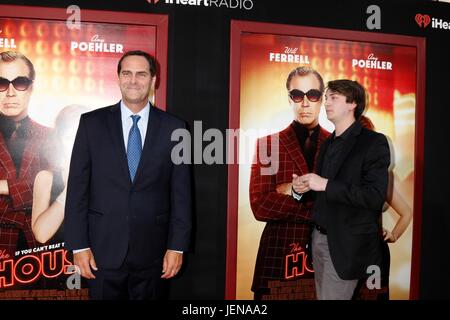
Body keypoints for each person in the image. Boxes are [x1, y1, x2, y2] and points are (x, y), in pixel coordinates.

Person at [64, 50, 192, 300]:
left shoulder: (175, 128)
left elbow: (182, 194)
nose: (134, 80)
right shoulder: (92, 123)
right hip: (101, 253)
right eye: (127, 73)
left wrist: (177, 246)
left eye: (141, 74)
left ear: (153, 80)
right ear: (119, 78)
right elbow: (78, 187)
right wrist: (79, 245)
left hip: (154, 255)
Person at [292, 79, 390, 300]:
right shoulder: (328, 143)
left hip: (346, 245)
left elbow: (374, 197)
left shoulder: (373, 142)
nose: (326, 102)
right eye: (326, 97)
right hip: (318, 239)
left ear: (352, 103)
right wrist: (302, 188)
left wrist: (324, 184)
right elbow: (322, 194)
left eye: (333, 97)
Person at [249, 67, 330, 300]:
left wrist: (284, 192)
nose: (305, 102)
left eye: (313, 94)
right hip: (278, 255)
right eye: (297, 95)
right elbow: (260, 205)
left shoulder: (338, 146)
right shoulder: (267, 145)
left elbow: (341, 202)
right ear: (289, 98)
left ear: (322, 98)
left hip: (326, 259)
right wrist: (298, 195)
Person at [0, 51, 52, 256]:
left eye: (20, 82)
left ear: (31, 88)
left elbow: (61, 189)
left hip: (41, 251)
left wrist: (4, 187)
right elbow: (46, 190)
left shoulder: (51, 136)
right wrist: (38, 189)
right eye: (2, 83)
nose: (10, 92)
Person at [32, 105, 91, 244]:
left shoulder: (105, 175)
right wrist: (72, 186)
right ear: (59, 140)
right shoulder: (46, 178)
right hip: (56, 262)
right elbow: (41, 234)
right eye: (70, 136)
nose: (77, 144)